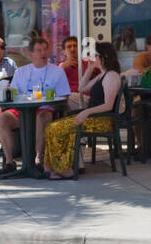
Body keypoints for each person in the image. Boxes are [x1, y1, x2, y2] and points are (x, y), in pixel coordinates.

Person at [43, 42, 122, 179]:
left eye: (95, 56)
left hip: (102, 120)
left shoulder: (111, 76)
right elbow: (81, 88)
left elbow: (108, 105)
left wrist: (87, 112)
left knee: (57, 128)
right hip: (94, 118)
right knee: (51, 127)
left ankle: (64, 169)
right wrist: (90, 68)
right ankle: (53, 167)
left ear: (104, 57)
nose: (92, 58)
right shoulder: (102, 75)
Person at [3, 36, 70, 175]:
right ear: (31, 53)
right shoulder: (21, 71)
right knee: (2, 119)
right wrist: (0, 107)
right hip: (22, 110)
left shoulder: (57, 71)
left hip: (45, 108)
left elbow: (65, 96)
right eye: (39, 50)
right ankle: (9, 161)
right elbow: (12, 94)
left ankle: (39, 158)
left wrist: (53, 102)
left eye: (45, 50)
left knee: (42, 116)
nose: (43, 53)